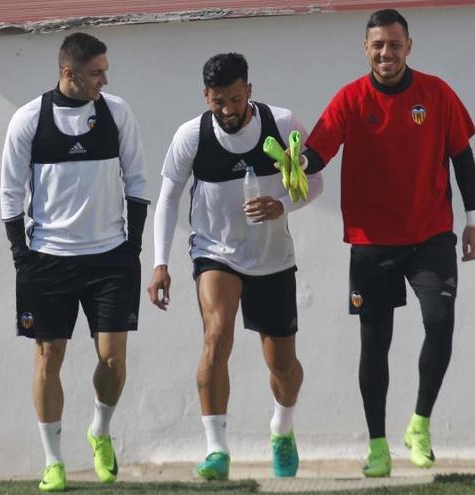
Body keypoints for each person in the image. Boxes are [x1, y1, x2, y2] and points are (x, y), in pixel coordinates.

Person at [302, 9, 475, 477]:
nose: (387, 53)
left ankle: (419, 424)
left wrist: (474, 220)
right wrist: (295, 162)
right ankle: (378, 445)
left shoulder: (436, 94)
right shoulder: (349, 99)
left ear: (409, 46)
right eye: (378, 45)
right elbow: (318, 151)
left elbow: (462, 157)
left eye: (395, 44)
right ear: (366, 48)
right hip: (372, 241)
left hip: (431, 235)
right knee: (374, 345)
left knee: (440, 323)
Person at [147, 53, 323, 481]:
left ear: (250, 90)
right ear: (206, 96)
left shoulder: (283, 125)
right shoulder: (192, 135)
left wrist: (281, 204)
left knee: (282, 364)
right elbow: (168, 198)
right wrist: (159, 263)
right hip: (215, 252)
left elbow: (315, 180)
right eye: (218, 101)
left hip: (271, 257)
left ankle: (281, 432)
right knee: (216, 335)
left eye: (235, 100)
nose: (227, 110)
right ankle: (216, 450)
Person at [0, 33, 148, 492]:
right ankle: (54, 460)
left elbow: (137, 181)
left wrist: (133, 246)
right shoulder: (28, 119)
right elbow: (9, 194)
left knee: (113, 359)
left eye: (106, 70)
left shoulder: (116, 112)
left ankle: (100, 431)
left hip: (110, 259)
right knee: (48, 358)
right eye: (96, 72)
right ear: (69, 73)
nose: (105, 79)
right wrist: (22, 256)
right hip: (48, 261)